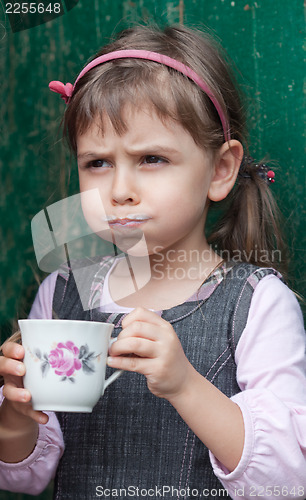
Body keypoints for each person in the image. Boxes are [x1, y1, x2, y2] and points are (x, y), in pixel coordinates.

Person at [0, 24, 305, 500]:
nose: (120, 190)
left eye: (152, 159)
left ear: (220, 170)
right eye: (97, 163)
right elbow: (26, 474)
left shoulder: (257, 304)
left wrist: (185, 384)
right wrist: (16, 416)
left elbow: (290, 480)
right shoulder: (62, 293)